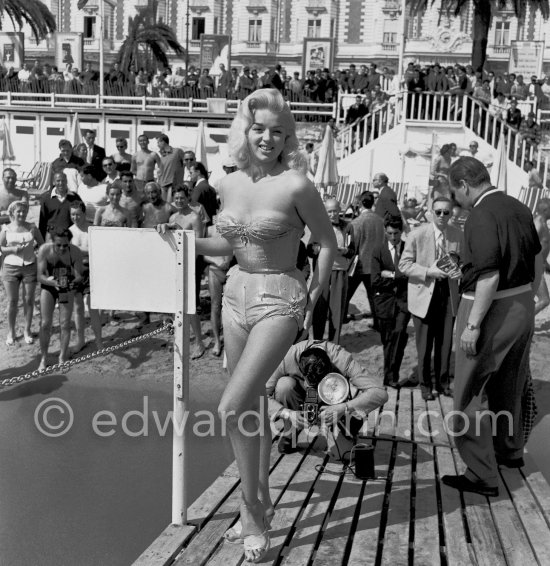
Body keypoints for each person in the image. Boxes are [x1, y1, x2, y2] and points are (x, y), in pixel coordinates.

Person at [192, 88, 336, 562]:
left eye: (278, 131)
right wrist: (186, 244)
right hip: (233, 294)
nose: (268, 138)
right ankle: (259, 506)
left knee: (230, 407)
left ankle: (251, 514)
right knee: (250, 409)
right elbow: (228, 246)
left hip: (280, 299)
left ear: (288, 135)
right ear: (245, 130)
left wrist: (314, 293)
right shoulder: (229, 183)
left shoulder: (297, 185)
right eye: (259, 129)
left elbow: (328, 243)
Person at [442, 157, 542, 497]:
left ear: (464, 185)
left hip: (490, 307)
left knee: (470, 391)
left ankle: (481, 473)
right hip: (522, 303)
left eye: (456, 195)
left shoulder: (480, 215)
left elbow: (488, 275)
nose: (457, 202)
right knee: (510, 384)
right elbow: (537, 260)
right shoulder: (519, 207)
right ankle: (510, 450)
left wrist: (472, 326)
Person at [265, 340, 388, 455]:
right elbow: (259, 395)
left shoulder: (342, 359)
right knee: (284, 385)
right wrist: (287, 413)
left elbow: (380, 393)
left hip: (332, 404)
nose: (314, 386)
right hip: (297, 400)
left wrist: (344, 408)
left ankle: (335, 431)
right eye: (311, 382)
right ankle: (290, 433)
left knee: (343, 455)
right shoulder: (287, 357)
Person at [399, 197, 464, 399]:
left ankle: (443, 384)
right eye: (439, 212)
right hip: (424, 294)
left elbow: (463, 262)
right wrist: (428, 272)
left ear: (452, 213)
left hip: (449, 295)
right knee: (425, 345)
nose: (443, 216)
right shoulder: (417, 235)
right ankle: (425, 385)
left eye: (447, 212)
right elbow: (404, 265)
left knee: (445, 344)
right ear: (430, 212)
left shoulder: (457, 234)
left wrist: (458, 272)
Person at [156, 185, 208, 359]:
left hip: (190, 266)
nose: (179, 201)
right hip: (174, 266)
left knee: (190, 307)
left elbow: (198, 245)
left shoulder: (194, 217)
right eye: (176, 198)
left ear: (188, 198)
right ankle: (178, 340)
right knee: (174, 306)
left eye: (182, 198)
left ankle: (199, 343)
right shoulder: (172, 216)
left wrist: (188, 268)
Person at [37, 228, 84, 370]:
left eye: (65, 245)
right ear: (52, 242)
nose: (62, 248)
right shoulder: (45, 250)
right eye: (59, 245)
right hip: (50, 286)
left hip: (66, 288)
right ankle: (44, 357)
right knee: (45, 324)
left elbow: (79, 276)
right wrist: (52, 282)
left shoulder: (75, 251)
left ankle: (62, 356)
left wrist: (73, 282)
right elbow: (40, 277)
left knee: (64, 324)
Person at [371, 215, 409, 387]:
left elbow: (410, 275)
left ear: (401, 232)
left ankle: (392, 377)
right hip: (384, 303)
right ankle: (389, 376)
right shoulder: (378, 251)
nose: (393, 238)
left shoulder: (408, 249)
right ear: (385, 232)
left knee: (399, 336)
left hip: (403, 301)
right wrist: (399, 276)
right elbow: (375, 280)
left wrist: (392, 274)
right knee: (388, 340)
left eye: (396, 234)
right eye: (390, 234)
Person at [311, 199, 355, 344]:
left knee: (337, 310)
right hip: (322, 272)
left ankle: (334, 344)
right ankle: (317, 341)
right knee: (319, 308)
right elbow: (310, 249)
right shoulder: (319, 226)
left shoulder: (347, 227)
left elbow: (353, 251)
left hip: (340, 272)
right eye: (329, 211)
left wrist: (344, 251)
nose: (332, 214)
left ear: (339, 210)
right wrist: (319, 249)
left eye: (335, 210)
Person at [0, 200, 44, 345]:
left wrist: (39, 255)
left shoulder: (32, 227)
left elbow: (42, 244)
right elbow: (1, 248)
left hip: (29, 266)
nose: (21, 214)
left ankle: (27, 330)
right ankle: (11, 331)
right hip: (10, 268)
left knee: (29, 300)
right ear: (12, 213)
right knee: (12, 301)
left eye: (24, 211)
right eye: (18, 211)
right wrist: (12, 249)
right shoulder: (6, 229)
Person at [345, 190, 385, 328]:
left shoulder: (356, 223)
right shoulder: (381, 221)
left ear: (361, 203)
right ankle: (378, 323)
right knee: (374, 296)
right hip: (375, 265)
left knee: (347, 293)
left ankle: (342, 317)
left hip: (358, 265)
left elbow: (352, 247)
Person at [69, 201, 102, 351]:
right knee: (78, 308)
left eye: (78, 214)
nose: (75, 217)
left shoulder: (92, 229)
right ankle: (80, 340)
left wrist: (78, 250)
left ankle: (99, 341)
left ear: (84, 213)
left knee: (93, 307)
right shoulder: (69, 231)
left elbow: (96, 250)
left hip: (92, 270)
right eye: (73, 214)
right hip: (75, 271)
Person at [38, 172, 83, 240]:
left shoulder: (75, 197)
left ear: (66, 181)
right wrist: (41, 239)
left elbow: (81, 216)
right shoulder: (46, 198)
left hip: (70, 235)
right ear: (53, 182)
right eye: (58, 181)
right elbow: (42, 222)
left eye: (63, 180)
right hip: (51, 236)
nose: (61, 183)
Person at [156, 133, 185, 202]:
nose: (157, 145)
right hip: (162, 186)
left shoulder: (177, 151)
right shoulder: (161, 157)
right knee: (165, 208)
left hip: (174, 185)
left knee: (173, 206)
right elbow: (160, 172)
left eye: (158, 142)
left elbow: (186, 162)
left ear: (163, 141)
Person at [189, 161, 219, 226]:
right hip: (210, 224)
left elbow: (193, 207)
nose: (190, 175)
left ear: (198, 172)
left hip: (200, 225)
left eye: (191, 173)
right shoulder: (211, 188)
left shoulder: (199, 188)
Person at [534, 198, 550, 316]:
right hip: (534, 267)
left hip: (539, 266)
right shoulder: (538, 223)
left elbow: (542, 247)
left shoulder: (543, 223)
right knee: (544, 300)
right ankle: (525, 321)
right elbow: (528, 244)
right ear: (545, 210)